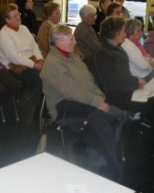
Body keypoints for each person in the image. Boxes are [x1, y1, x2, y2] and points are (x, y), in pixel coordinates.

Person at [94, 16, 154, 164]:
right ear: (115, 33)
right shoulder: (103, 53)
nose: (124, 34)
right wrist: (136, 81)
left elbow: (125, 74)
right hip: (118, 95)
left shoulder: (117, 48)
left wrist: (137, 82)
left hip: (129, 89)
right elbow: (113, 81)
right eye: (122, 31)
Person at [40, 24, 123, 180]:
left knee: (118, 115)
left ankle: (98, 158)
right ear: (59, 41)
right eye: (71, 38)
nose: (75, 41)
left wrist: (99, 96)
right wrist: (96, 102)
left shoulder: (72, 58)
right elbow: (70, 92)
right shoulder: (53, 64)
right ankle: (111, 168)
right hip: (63, 108)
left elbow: (89, 81)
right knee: (101, 121)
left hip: (80, 102)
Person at [0, 3, 44, 109]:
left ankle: (50, 104)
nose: (19, 17)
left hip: (30, 62)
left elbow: (34, 46)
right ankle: (39, 110)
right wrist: (34, 64)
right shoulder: (4, 34)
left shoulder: (24, 28)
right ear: (7, 20)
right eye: (15, 16)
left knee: (51, 71)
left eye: (18, 14)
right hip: (14, 67)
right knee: (39, 76)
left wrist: (40, 59)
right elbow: (14, 57)